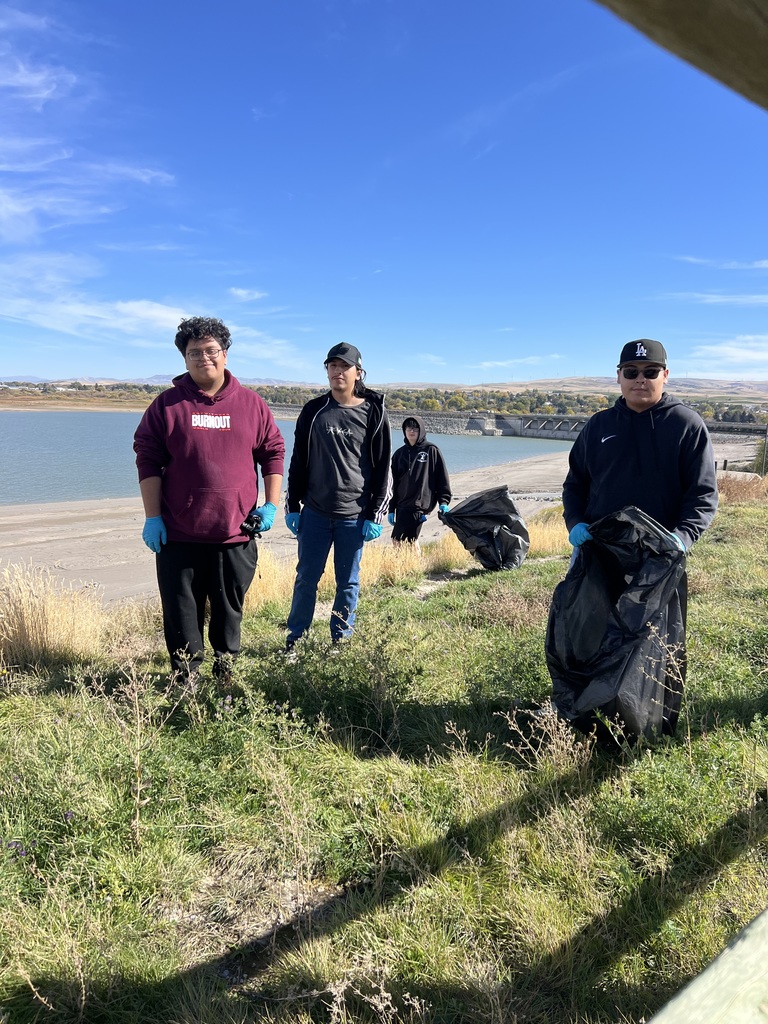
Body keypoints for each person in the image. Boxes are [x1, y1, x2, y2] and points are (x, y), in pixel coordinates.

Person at [560, 338, 718, 731]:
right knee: (590, 632)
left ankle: (648, 721)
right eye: (631, 372)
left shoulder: (686, 425)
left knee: (654, 640)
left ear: (665, 375)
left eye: (650, 373)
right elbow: (575, 483)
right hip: (600, 552)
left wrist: (683, 538)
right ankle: (587, 713)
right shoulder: (599, 427)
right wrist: (575, 523)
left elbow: (702, 495)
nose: (640, 380)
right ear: (618, 377)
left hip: (659, 559)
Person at [133, 316, 285, 680]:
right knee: (182, 613)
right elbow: (147, 458)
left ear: (225, 355)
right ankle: (186, 680)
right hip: (179, 535)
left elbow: (273, 452)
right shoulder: (167, 405)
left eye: (211, 350)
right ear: (184, 359)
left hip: (234, 533)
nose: (204, 358)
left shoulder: (251, 405)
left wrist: (270, 505)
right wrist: (152, 517)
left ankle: (226, 674)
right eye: (194, 352)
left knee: (229, 611)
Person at [284, 342, 392, 649]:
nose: (337, 372)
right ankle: (296, 641)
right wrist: (292, 506)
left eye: (343, 367)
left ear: (358, 372)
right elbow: (298, 461)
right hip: (315, 514)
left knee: (348, 583)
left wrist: (374, 515)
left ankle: (339, 643)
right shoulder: (314, 410)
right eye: (331, 366)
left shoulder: (373, 413)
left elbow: (383, 467)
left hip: (353, 517)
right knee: (306, 579)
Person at [388, 415, 451, 545]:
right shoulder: (399, 454)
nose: (412, 431)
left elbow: (442, 477)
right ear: (404, 431)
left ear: (421, 431)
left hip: (419, 505)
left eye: (415, 429)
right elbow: (392, 484)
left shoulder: (432, 450)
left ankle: (412, 564)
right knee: (400, 541)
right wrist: (391, 508)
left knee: (407, 541)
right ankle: (411, 564)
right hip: (402, 504)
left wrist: (443, 501)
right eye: (409, 428)